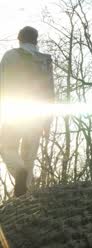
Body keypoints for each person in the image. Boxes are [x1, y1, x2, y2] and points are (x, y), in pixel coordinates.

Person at [0, 26, 55, 197]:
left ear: (20, 39)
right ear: (36, 40)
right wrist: (48, 120)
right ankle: (23, 199)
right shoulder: (44, 61)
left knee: (6, 147)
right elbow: (50, 92)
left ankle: (19, 172)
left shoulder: (11, 56)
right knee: (29, 156)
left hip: (14, 111)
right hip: (37, 114)